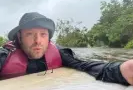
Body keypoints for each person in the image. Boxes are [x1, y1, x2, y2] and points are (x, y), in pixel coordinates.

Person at [0, 12, 132, 86]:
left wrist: (120, 70)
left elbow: (85, 66)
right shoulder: (4, 56)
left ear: (49, 38)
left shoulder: (59, 52)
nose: (38, 41)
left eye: (43, 34)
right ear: (19, 36)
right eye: (30, 34)